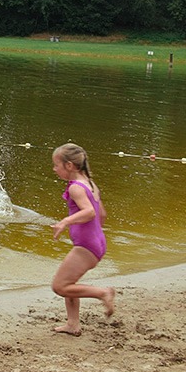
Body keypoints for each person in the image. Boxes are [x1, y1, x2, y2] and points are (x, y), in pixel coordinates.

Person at [50, 143, 116, 335]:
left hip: (86, 246)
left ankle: (102, 293)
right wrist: (92, 234)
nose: (54, 169)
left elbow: (89, 212)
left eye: (56, 165)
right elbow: (101, 214)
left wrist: (66, 222)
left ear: (69, 165)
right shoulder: (90, 184)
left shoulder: (76, 188)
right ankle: (73, 324)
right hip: (96, 242)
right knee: (70, 283)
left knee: (60, 286)